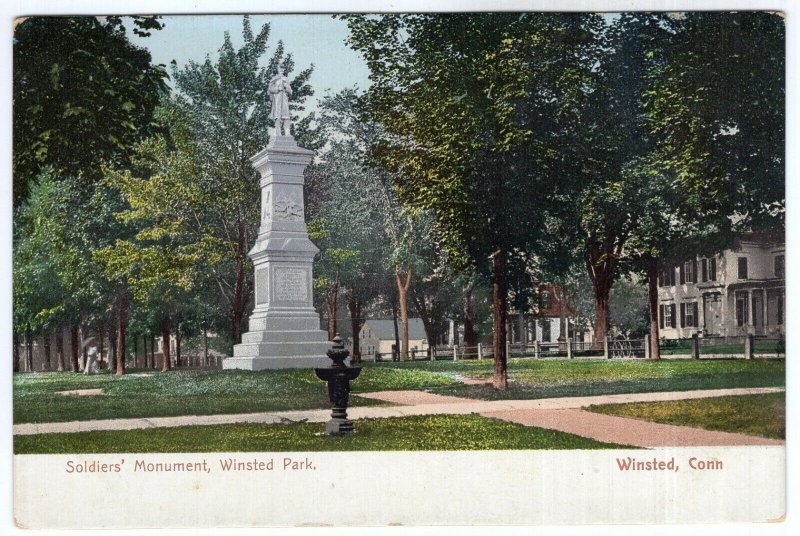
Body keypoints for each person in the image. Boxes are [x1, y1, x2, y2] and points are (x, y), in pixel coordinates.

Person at [269, 71, 292, 137]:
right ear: (277, 69)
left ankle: (287, 133)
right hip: (277, 99)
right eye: (280, 68)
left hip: (284, 99)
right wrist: (278, 88)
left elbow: (290, 92)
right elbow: (270, 89)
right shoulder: (274, 79)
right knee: (277, 116)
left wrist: (286, 87)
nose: (282, 70)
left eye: (283, 68)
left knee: (286, 116)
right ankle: (277, 133)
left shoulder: (286, 79)